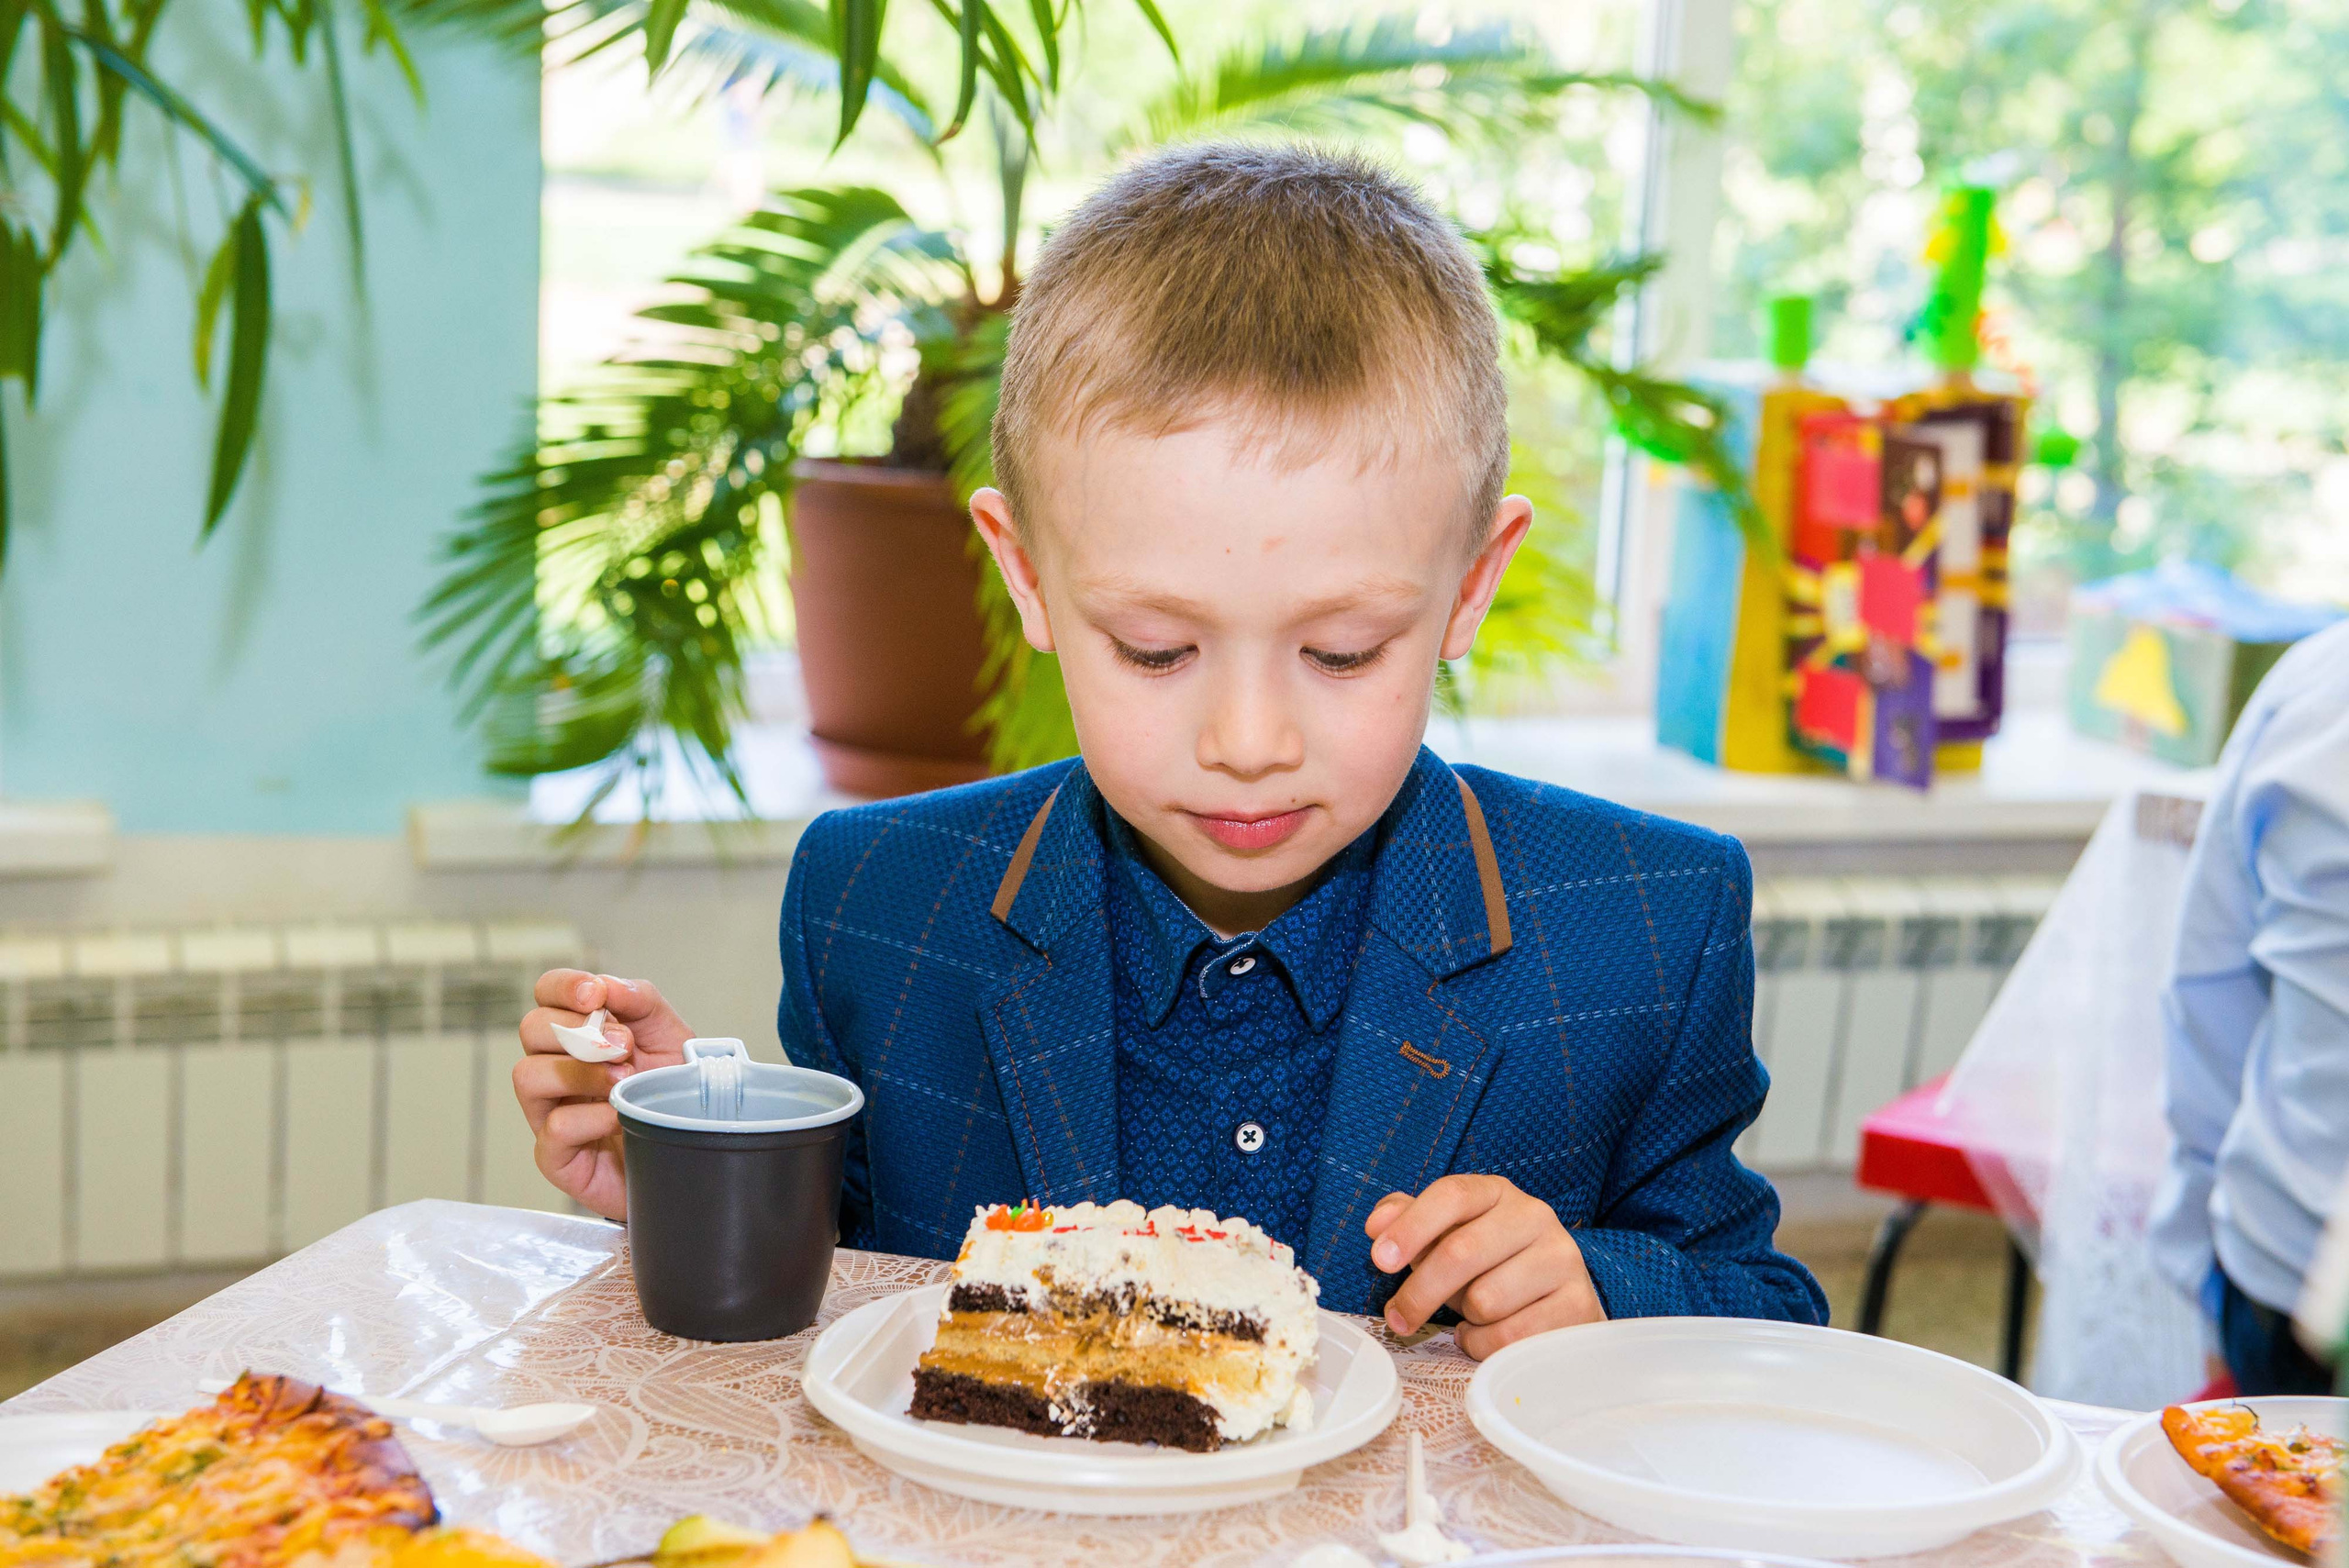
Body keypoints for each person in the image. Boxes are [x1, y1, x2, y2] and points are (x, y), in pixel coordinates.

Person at [513, 142, 1826, 1353]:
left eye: (1343, 651)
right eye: (1154, 648)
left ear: (1470, 589)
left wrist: (1606, 1287)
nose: (1247, 742)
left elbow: (1770, 1320)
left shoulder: (1648, 926)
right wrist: (702, 1172)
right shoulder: (877, 905)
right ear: (1026, 578)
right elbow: (851, 1286)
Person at [2150, 617, 2349, 1395]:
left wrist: (2207, 1271)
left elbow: (2208, 998)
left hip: (2288, 1269)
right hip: (2292, 1277)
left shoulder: (2318, 688)